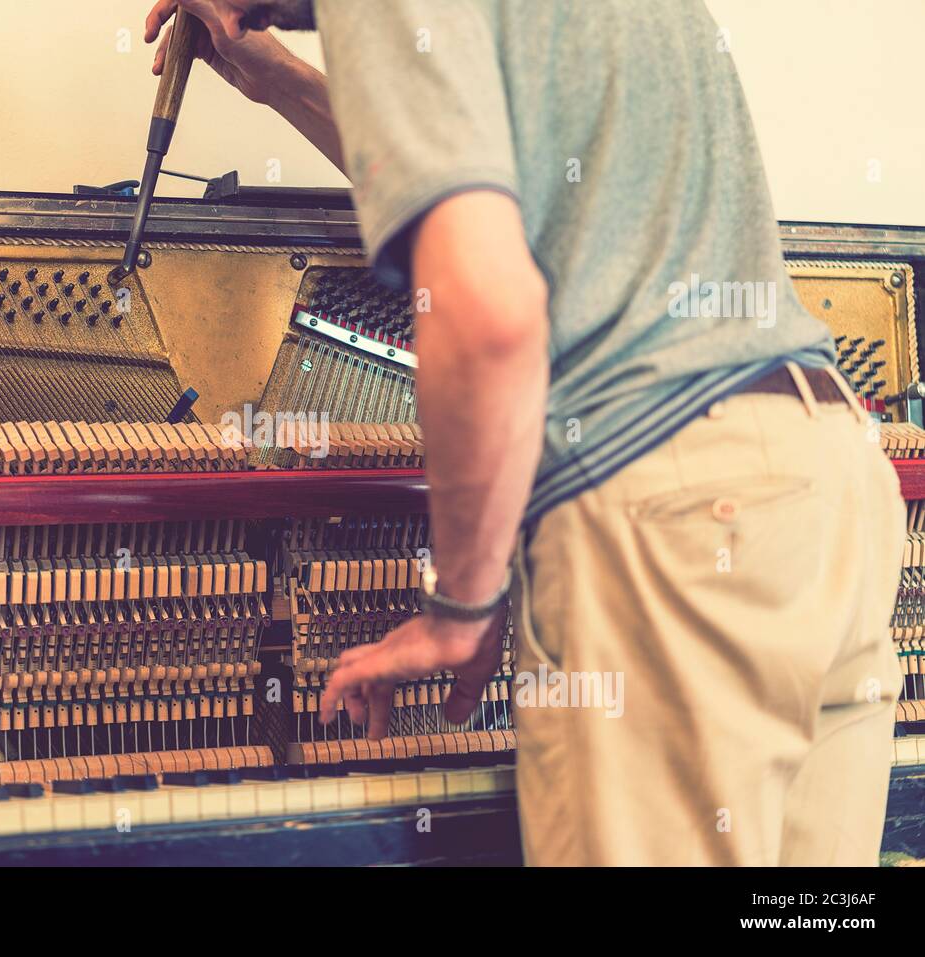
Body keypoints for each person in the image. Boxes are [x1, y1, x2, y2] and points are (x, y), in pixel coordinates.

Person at [142, 0, 905, 865]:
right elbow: (507, 185)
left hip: (675, 522)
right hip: (831, 485)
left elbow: (490, 314)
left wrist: (461, 607)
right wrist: (279, 79)